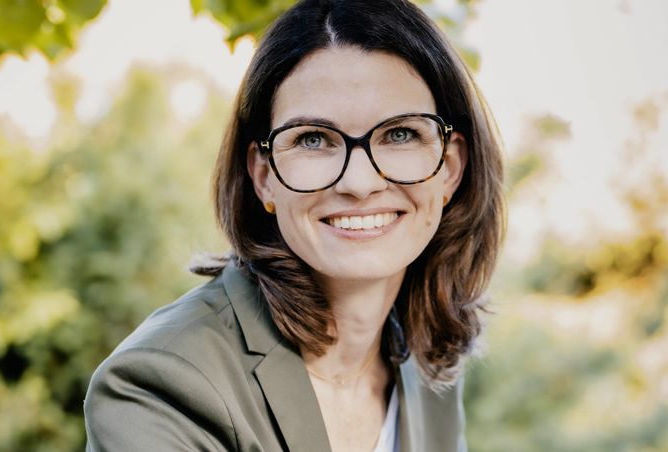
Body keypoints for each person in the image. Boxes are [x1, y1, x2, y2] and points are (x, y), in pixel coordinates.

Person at [83, 0, 504, 450]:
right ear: (263, 177)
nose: (359, 183)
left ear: (450, 168)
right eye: (313, 139)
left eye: (400, 134)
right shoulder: (161, 386)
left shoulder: (427, 370)